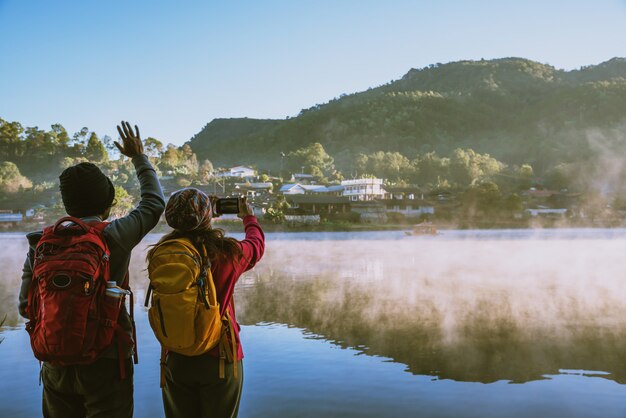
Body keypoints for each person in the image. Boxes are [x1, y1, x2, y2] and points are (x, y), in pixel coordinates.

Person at [18, 121, 165, 418]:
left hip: (55, 362)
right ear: (107, 202)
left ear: (67, 202)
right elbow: (153, 203)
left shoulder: (42, 243)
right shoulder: (115, 235)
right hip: (107, 362)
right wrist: (139, 157)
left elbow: (25, 306)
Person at [149, 188, 264, 418]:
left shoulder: (162, 254)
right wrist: (248, 218)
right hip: (219, 360)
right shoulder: (226, 253)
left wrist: (204, 217)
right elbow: (256, 245)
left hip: (176, 356)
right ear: (206, 216)